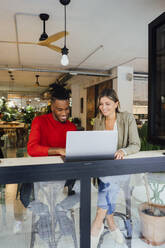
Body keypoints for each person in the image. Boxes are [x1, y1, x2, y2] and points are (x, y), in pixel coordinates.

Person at [91, 88, 140, 248]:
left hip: (121, 169)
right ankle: (111, 221)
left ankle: (98, 221)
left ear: (116, 104)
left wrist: (123, 151)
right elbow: (95, 144)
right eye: (101, 104)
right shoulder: (98, 121)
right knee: (107, 181)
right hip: (105, 168)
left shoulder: (127, 118)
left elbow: (136, 144)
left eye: (108, 104)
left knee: (108, 182)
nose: (103, 107)